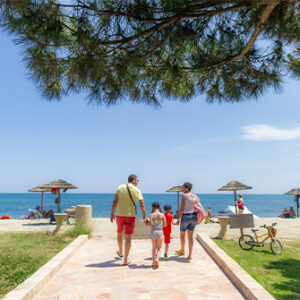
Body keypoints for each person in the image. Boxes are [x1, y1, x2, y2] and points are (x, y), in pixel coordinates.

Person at [110, 174, 146, 266]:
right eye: (138, 180)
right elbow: (142, 204)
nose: (138, 182)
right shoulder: (137, 190)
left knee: (119, 233)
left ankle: (121, 252)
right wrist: (144, 216)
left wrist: (112, 213)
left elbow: (115, 201)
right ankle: (125, 259)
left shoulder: (120, 187)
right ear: (134, 180)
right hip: (130, 216)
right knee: (128, 237)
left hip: (120, 215)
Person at [174, 182, 200, 260]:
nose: (182, 189)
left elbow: (182, 208)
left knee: (182, 234)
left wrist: (178, 219)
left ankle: (182, 250)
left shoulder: (184, 196)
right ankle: (190, 255)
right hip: (194, 217)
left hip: (186, 216)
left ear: (187, 188)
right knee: (190, 236)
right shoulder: (195, 196)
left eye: (183, 188)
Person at [148, 202, 166, 268]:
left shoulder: (151, 215)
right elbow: (165, 224)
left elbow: (151, 224)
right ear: (159, 207)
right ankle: (157, 259)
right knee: (159, 248)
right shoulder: (162, 215)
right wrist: (160, 226)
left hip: (153, 231)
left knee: (153, 248)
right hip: (159, 231)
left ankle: (153, 261)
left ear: (152, 207)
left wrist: (147, 223)